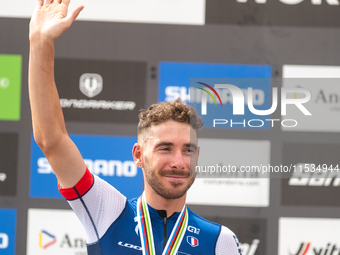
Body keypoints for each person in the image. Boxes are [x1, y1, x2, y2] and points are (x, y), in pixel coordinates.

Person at [29, 1, 242, 254]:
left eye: (188, 150)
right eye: (165, 148)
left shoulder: (220, 241)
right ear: (139, 155)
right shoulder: (107, 211)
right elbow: (51, 140)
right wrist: (41, 43)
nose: (179, 162)